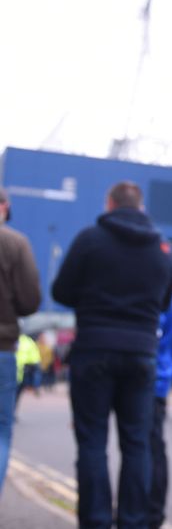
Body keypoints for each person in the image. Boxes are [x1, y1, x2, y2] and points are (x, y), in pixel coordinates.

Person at [52, 181, 172, 527]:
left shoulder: (90, 240)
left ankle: (96, 521)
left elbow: (60, 290)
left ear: (110, 204)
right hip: (141, 355)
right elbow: (165, 302)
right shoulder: (161, 250)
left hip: (94, 350)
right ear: (140, 207)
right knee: (137, 443)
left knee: (92, 443)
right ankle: (134, 522)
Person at [0, 186, 42, 495]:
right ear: (4, 208)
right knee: (0, 431)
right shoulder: (15, 243)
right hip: (1, 347)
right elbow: (29, 301)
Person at [150, 275, 172, 529]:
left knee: (149, 448)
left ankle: (151, 512)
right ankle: (150, 511)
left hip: (151, 380)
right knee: (150, 447)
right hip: (158, 379)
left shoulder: (163, 300)